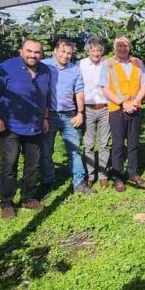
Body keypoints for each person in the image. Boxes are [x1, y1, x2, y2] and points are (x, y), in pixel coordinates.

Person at [0, 39, 51, 219]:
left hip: (35, 125)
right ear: (21, 51)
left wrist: (45, 117)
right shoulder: (6, 68)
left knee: (33, 165)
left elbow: (46, 96)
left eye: (37, 52)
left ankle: (28, 197)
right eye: (29, 51)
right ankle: (6, 203)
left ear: (41, 54)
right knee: (9, 165)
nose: (33, 55)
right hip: (10, 125)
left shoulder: (44, 71)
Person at [39, 39, 93, 195]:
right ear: (55, 51)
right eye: (63, 51)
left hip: (69, 115)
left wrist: (80, 113)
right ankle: (47, 182)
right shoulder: (44, 66)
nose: (66, 55)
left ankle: (79, 183)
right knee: (46, 151)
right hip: (49, 115)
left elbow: (79, 92)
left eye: (69, 53)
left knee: (75, 150)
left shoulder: (74, 69)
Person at [100, 35, 145, 192]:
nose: (122, 48)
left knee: (133, 143)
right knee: (118, 145)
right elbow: (105, 89)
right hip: (117, 109)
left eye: (125, 45)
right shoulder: (107, 64)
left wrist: (136, 102)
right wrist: (122, 103)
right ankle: (118, 177)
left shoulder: (138, 63)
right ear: (114, 47)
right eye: (119, 45)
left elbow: (144, 85)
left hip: (135, 108)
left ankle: (133, 173)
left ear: (130, 47)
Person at [80, 37, 110, 188]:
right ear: (88, 51)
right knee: (89, 144)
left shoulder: (108, 64)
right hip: (88, 109)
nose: (96, 53)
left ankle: (103, 174)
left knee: (104, 144)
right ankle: (90, 175)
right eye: (93, 50)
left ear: (102, 51)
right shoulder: (82, 64)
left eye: (99, 50)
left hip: (105, 108)